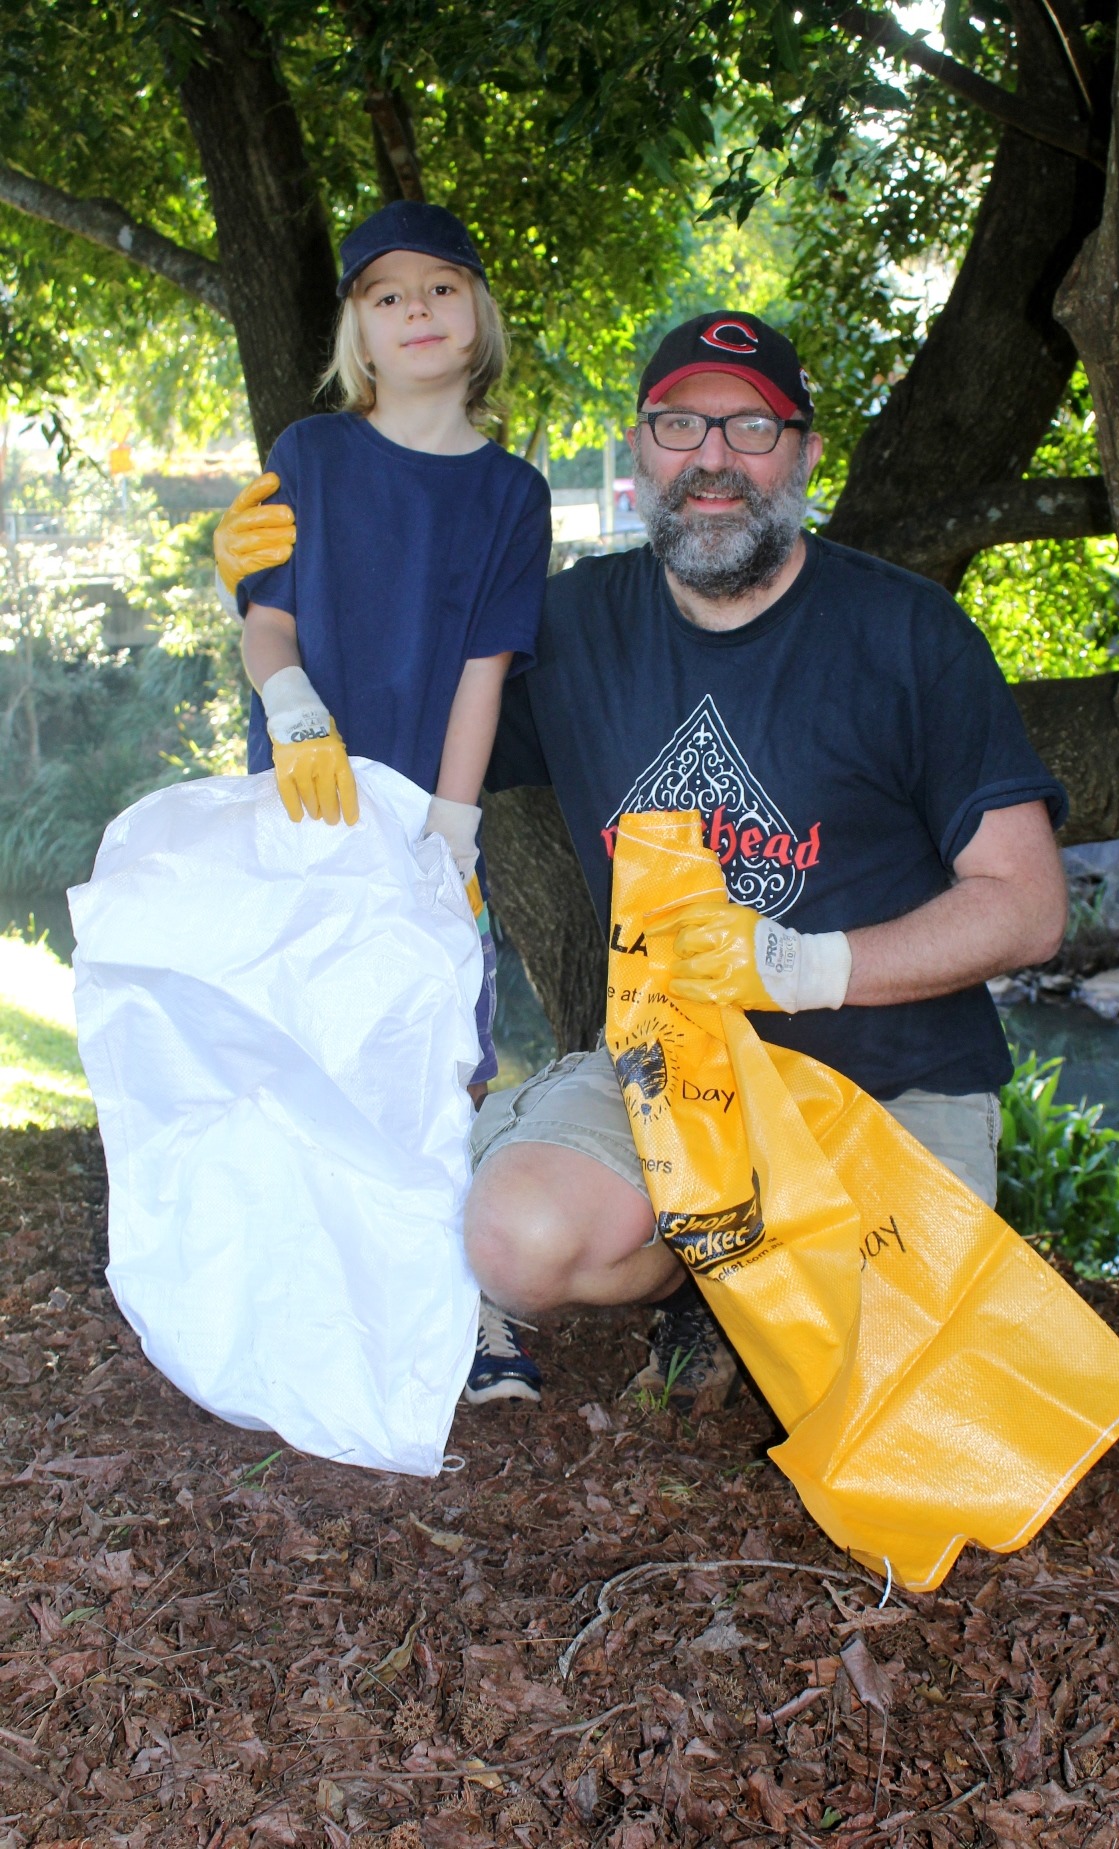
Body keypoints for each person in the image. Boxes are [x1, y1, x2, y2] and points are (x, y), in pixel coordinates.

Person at [215, 309, 1069, 1415]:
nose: (711, 458)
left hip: (888, 1088)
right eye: (679, 424)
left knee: (895, 1401)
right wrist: (275, 600)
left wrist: (797, 968)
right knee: (517, 1240)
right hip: (665, 1086)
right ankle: (701, 1269)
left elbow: (1026, 907)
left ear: (803, 451)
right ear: (639, 447)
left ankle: (759, 1277)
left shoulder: (907, 633)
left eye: (750, 428)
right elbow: (391, 733)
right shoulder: (570, 624)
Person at [213, 199, 551, 1404]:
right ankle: (312, 1305)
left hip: (420, 818)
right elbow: (267, 621)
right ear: (357, 323)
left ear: (477, 315)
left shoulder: (513, 492)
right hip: (305, 807)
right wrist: (294, 704)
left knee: (443, 1054)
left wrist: (451, 831)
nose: (417, 309)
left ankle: (468, 1320)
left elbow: (483, 667)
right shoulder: (308, 455)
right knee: (310, 1049)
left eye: (441, 287)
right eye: (387, 292)